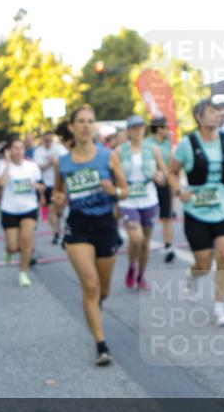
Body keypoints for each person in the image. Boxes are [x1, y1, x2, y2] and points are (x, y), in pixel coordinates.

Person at [52, 105, 128, 365]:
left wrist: (114, 191)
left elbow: (125, 191)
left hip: (105, 224)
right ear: (72, 127)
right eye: (81, 121)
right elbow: (58, 195)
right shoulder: (62, 162)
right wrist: (58, 199)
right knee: (91, 285)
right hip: (78, 225)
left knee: (103, 289)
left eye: (90, 121)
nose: (86, 126)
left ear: (94, 127)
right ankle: (101, 345)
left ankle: (96, 306)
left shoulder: (108, 156)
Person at [169, 99, 224, 327]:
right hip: (196, 209)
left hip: (223, 205)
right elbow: (172, 171)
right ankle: (192, 276)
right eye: (212, 111)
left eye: (219, 112)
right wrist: (178, 190)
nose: (218, 115)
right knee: (203, 264)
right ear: (199, 117)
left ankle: (219, 307)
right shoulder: (187, 143)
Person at [118, 115, 167, 291]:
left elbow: (164, 172)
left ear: (144, 129)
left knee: (145, 243)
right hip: (128, 200)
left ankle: (140, 275)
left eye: (140, 127)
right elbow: (113, 174)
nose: (137, 130)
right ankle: (131, 265)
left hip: (149, 199)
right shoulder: (120, 151)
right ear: (128, 131)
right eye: (133, 127)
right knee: (136, 238)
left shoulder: (153, 149)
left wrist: (161, 177)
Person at [0, 138, 45, 288]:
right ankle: (9, 251)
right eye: (15, 148)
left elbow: (42, 186)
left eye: (21, 148)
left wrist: (35, 186)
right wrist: (8, 164)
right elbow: (0, 185)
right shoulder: (4, 166)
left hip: (29, 208)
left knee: (26, 241)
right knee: (13, 246)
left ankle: (23, 273)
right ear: (10, 151)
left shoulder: (32, 166)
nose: (18, 151)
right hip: (9, 209)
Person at [145, 116, 176, 262]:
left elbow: (169, 163)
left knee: (167, 216)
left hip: (165, 181)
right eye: (166, 127)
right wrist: (155, 175)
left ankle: (168, 246)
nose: (168, 130)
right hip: (150, 182)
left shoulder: (167, 142)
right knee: (147, 218)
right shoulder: (146, 143)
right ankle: (143, 244)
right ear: (158, 128)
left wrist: (168, 177)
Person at [33, 130, 68, 245]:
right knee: (51, 209)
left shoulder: (59, 148)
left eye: (50, 140)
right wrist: (50, 163)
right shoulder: (38, 151)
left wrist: (57, 163)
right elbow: (39, 168)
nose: (48, 142)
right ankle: (56, 233)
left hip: (59, 183)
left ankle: (63, 229)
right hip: (47, 184)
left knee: (59, 209)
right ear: (42, 139)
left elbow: (67, 161)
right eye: (46, 140)